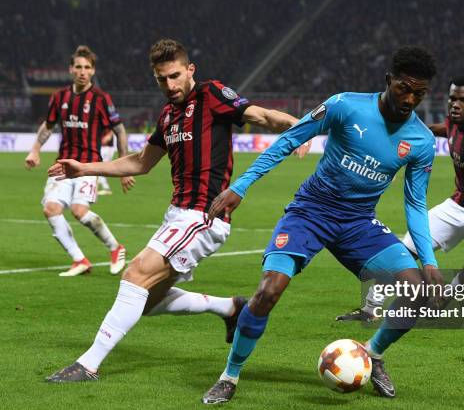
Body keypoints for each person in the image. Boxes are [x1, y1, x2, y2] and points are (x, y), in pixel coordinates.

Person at [45, 38, 304, 383]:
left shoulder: (211, 94)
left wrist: (298, 127)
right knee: (147, 301)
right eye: (161, 79)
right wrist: (85, 168)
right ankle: (230, 308)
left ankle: (87, 364)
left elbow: (259, 114)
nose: (169, 85)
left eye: (175, 76)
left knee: (135, 274)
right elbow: (140, 162)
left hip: (204, 216)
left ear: (190, 70)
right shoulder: (168, 115)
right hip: (177, 215)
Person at [201, 46, 445, 404]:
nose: (410, 99)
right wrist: (240, 186)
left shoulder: (422, 141)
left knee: (419, 290)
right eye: (403, 89)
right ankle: (230, 375)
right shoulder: (346, 105)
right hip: (311, 212)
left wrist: (429, 262)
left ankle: (372, 354)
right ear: (388, 80)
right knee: (269, 290)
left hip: (358, 223)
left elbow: (416, 202)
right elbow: (289, 140)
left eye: (419, 94)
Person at [336, 76, 464, 321]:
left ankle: (446, 297)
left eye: (463, 100)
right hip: (456, 205)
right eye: (452, 99)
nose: (455, 105)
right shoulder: (452, 125)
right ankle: (370, 309)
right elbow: (430, 131)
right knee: (403, 251)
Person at [25, 45, 134, 276]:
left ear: (93, 71)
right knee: (50, 209)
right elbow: (48, 126)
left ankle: (115, 248)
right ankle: (79, 260)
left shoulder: (101, 99)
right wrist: (35, 149)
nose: (82, 71)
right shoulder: (59, 97)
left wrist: (125, 168)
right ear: (71, 69)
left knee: (78, 211)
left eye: (87, 67)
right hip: (63, 165)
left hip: (88, 166)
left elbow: (120, 131)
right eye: (78, 67)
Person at [97, 129, 115, 195]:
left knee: (100, 168)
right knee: (99, 167)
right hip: (103, 147)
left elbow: (112, 128)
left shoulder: (107, 120)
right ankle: (98, 184)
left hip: (107, 148)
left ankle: (106, 188)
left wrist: (109, 135)